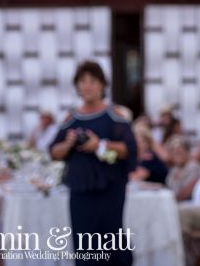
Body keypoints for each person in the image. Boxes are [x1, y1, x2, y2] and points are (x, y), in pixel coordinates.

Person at [49, 60, 137, 266]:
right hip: (80, 191)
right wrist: (69, 144)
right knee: (84, 244)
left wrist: (100, 145)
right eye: (83, 81)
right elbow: (54, 152)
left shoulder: (114, 116)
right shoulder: (71, 118)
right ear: (77, 86)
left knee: (111, 241)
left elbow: (129, 149)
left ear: (102, 85)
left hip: (110, 189)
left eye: (93, 81)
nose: (88, 86)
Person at [165, 135, 200, 201]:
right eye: (174, 153)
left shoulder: (193, 167)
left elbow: (186, 193)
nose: (177, 156)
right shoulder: (174, 169)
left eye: (180, 152)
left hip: (187, 203)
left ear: (187, 151)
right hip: (172, 202)